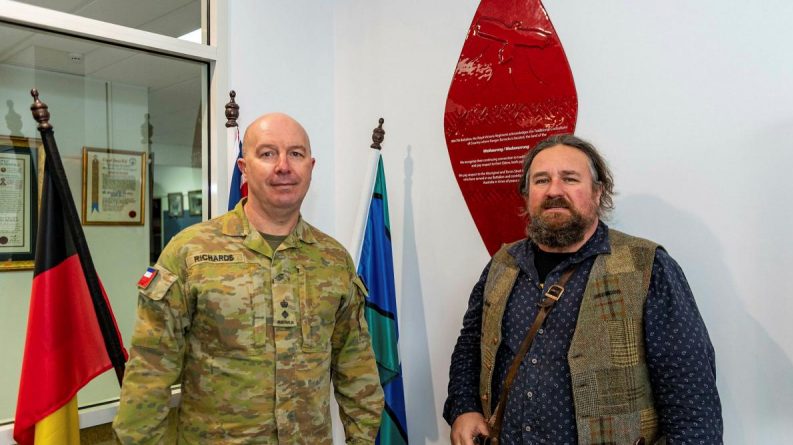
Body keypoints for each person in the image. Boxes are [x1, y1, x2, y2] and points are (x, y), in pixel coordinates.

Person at [113, 113, 384, 444]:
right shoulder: (190, 252)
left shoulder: (334, 260)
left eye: (295, 154)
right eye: (268, 153)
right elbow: (149, 373)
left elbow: (356, 368)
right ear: (244, 167)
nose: (283, 166)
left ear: (310, 166)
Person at [443, 134, 722, 444]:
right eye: (541, 180)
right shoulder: (503, 263)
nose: (554, 191)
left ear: (598, 191)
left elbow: (692, 404)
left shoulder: (648, 267)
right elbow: (471, 345)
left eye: (570, 179)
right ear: (526, 194)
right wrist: (464, 407)